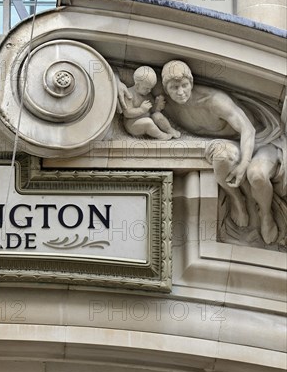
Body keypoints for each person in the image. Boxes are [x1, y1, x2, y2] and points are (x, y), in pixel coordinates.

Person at [159, 60, 285, 244]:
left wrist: (244, 165)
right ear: (165, 88)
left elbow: (247, 130)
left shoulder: (214, 101)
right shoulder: (163, 100)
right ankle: (237, 200)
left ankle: (265, 214)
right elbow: (132, 76)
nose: (180, 92)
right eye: (174, 87)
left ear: (191, 83)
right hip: (230, 143)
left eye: (184, 85)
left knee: (256, 176)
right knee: (221, 156)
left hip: (259, 141)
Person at [121, 66, 181, 140]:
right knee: (148, 122)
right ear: (137, 86)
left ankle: (170, 130)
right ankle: (161, 135)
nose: (149, 91)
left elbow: (152, 111)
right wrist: (141, 110)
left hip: (147, 118)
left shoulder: (147, 94)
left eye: (151, 88)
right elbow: (127, 113)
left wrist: (157, 105)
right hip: (133, 125)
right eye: (146, 88)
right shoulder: (129, 94)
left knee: (157, 116)